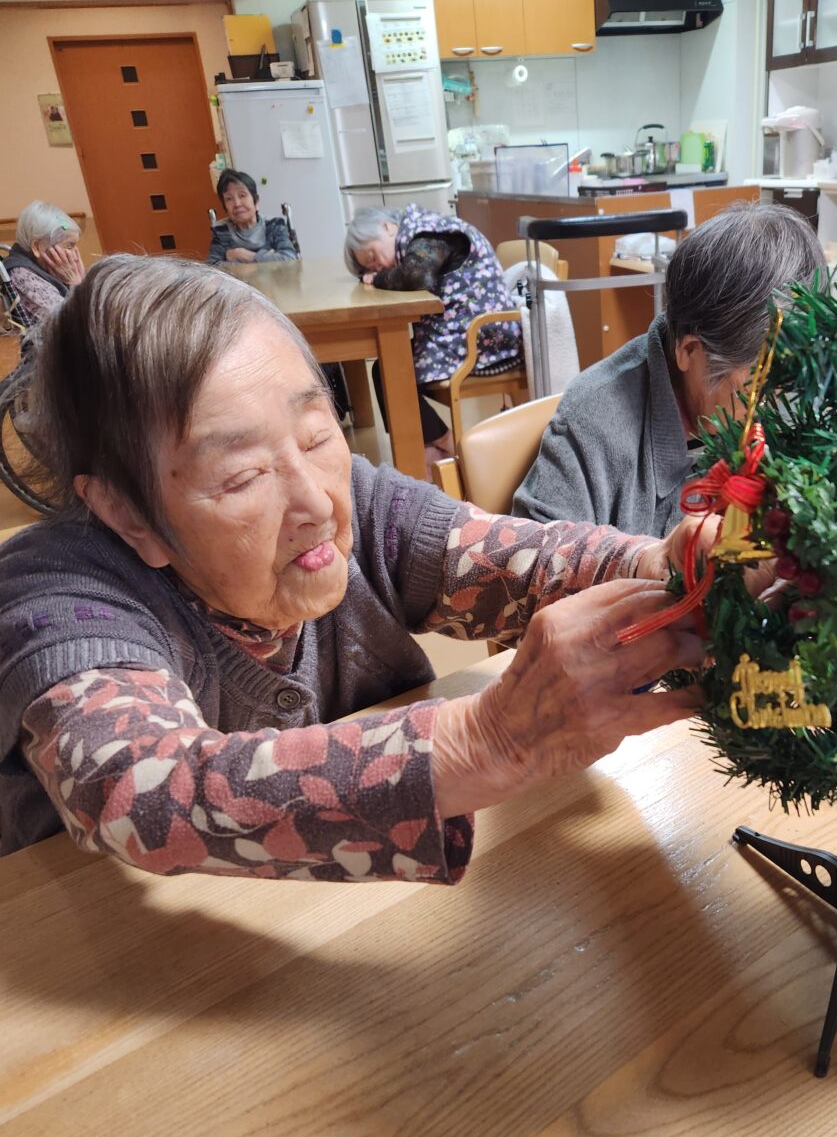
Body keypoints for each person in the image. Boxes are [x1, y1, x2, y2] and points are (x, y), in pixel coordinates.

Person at [0, 254, 764, 882]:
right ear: (126, 513)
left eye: (316, 433)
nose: (316, 501)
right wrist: (483, 739)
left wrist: (664, 561)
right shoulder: (59, 600)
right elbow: (146, 790)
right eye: (241, 477)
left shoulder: (361, 507)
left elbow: (518, 561)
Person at [512, 204, 826, 537]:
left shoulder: (797, 395)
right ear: (689, 351)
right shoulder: (594, 424)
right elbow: (534, 556)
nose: (776, 405)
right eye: (758, 387)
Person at [343, 204, 521, 465]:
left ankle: (444, 447)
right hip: (460, 331)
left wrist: (377, 279)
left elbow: (417, 277)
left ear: (387, 227)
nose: (377, 266)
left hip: (483, 337)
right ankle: (433, 452)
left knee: (390, 371)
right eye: (369, 266)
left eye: (372, 255)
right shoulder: (418, 233)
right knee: (387, 368)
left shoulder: (426, 233)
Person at [5, 202, 85, 325]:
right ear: (38, 247)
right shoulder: (22, 275)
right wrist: (77, 286)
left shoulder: (49, 269)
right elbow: (69, 323)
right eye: (69, 246)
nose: (75, 256)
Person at [207, 169, 297, 266]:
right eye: (229, 199)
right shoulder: (221, 231)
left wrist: (244, 256)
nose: (237, 204)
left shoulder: (274, 225)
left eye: (242, 195)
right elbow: (213, 266)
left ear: (256, 201)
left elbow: (290, 260)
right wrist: (269, 258)